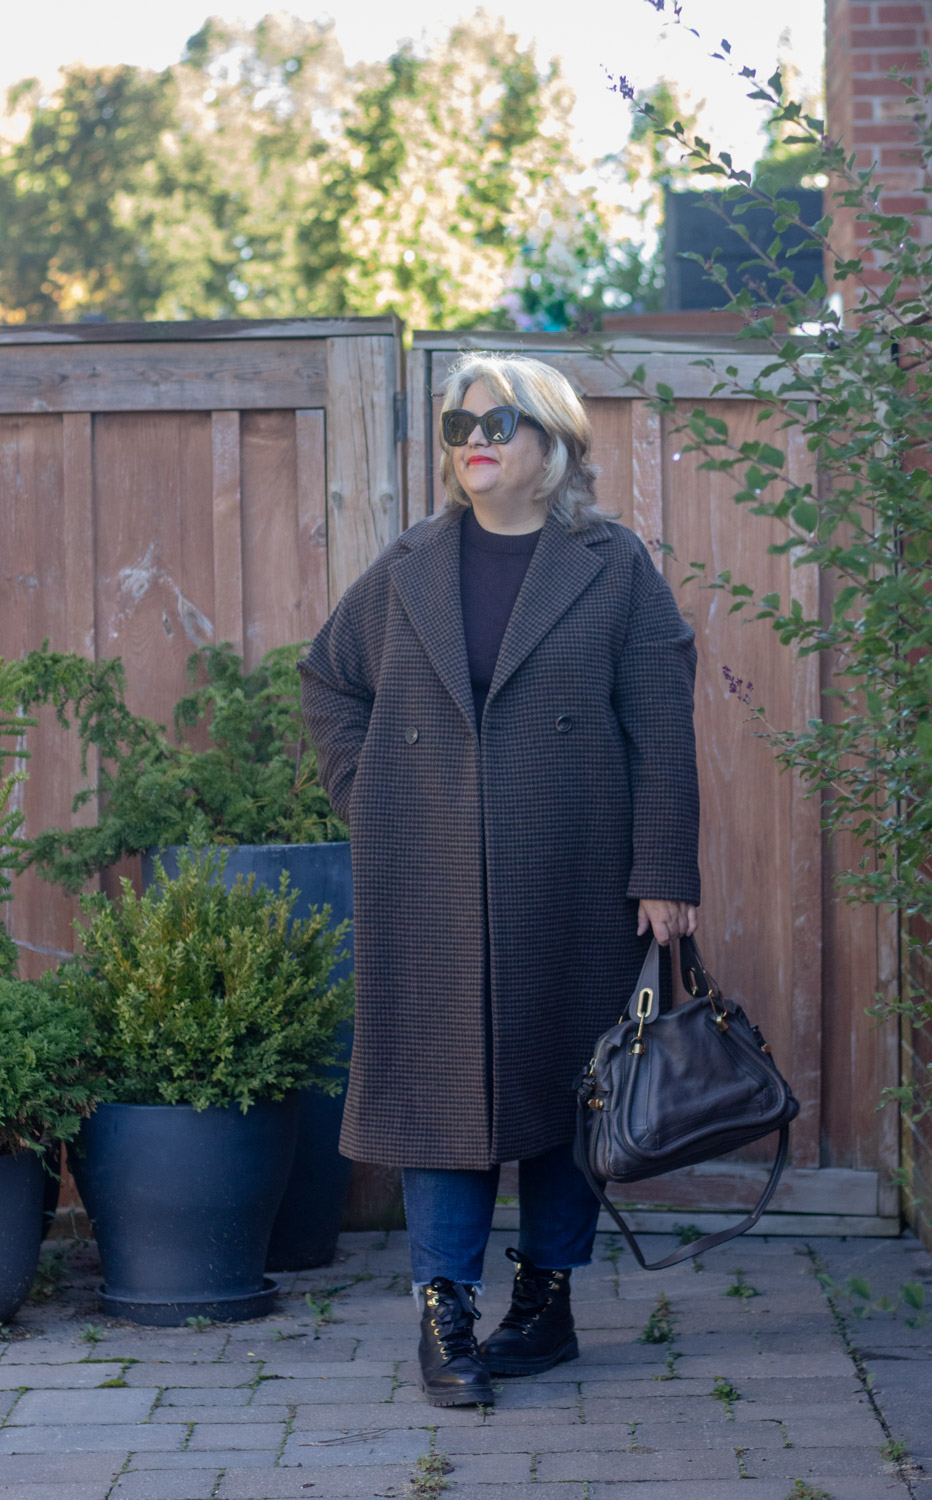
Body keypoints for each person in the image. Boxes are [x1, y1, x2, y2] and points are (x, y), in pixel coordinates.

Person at [298, 352, 700, 1408]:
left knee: (567, 1091)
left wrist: (662, 868)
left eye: (497, 420)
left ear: (553, 442)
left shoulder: (610, 566)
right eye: (457, 425)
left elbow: (660, 723)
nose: (472, 438)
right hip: (426, 877)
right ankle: (444, 1316)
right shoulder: (409, 563)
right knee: (438, 1094)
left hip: (571, 870)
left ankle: (545, 1302)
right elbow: (329, 681)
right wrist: (369, 790)